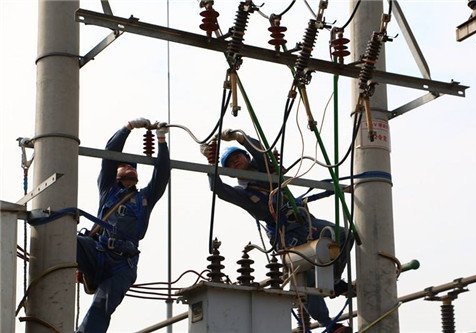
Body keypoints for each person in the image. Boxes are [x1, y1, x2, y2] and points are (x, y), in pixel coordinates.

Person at [200, 129, 353, 333]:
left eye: (237, 157)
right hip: (286, 235)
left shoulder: (268, 171)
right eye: (229, 163)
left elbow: (262, 153)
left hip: (306, 222)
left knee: (344, 235)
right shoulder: (243, 194)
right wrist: (210, 161)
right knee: (304, 277)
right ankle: (330, 325)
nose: (235, 162)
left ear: (246, 157)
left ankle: (333, 280)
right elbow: (218, 189)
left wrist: (242, 138)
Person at [76, 118, 170, 333]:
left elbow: (162, 173)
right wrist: (127, 128)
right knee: (64, 239)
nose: (128, 168)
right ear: (116, 173)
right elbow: (109, 154)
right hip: (98, 250)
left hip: (123, 264)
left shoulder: (145, 198)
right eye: (123, 165)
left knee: (102, 306)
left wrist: (162, 141)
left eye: (132, 166)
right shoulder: (108, 189)